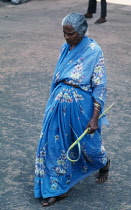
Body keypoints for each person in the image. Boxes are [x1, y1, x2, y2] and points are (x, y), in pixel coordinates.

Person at [34, 13, 110, 207]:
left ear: (82, 32)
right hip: (58, 105)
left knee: (89, 146)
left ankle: (104, 162)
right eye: (64, 33)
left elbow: (100, 86)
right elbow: (57, 76)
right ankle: (55, 188)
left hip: (81, 107)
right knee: (54, 145)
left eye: (71, 34)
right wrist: (52, 102)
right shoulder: (65, 48)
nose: (67, 37)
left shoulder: (94, 50)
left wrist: (94, 117)